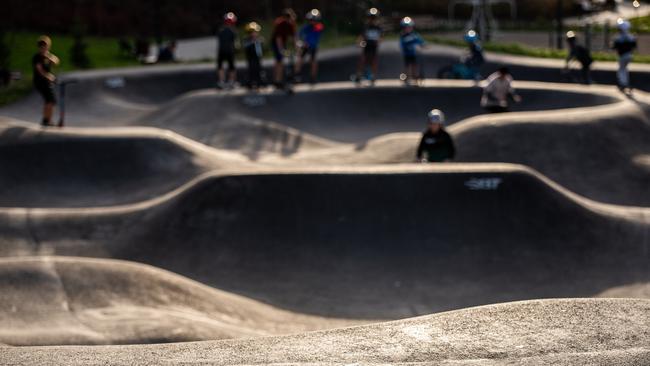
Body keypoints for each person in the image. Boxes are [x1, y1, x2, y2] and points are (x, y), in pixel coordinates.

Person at [32, 35, 59, 127]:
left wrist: (50, 57)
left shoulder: (47, 56)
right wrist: (49, 76)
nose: (43, 49)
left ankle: (46, 120)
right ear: (39, 47)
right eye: (42, 47)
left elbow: (56, 61)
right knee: (50, 100)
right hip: (40, 81)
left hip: (46, 82)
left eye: (46, 47)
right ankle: (47, 120)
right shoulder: (37, 57)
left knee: (49, 101)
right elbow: (40, 70)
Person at [353, 8, 383, 85]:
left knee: (374, 61)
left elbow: (380, 37)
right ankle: (359, 75)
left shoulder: (378, 27)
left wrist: (378, 41)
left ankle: (373, 76)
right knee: (362, 60)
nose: (372, 19)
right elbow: (362, 36)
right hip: (367, 45)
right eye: (371, 18)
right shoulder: (366, 27)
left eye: (374, 18)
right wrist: (359, 42)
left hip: (374, 46)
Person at [295, 9, 325, 84]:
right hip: (305, 46)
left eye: (314, 20)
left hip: (313, 46)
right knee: (300, 59)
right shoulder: (306, 27)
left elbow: (315, 36)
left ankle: (313, 77)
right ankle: (296, 75)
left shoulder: (319, 27)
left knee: (313, 61)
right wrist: (301, 43)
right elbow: (299, 35)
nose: (312, 21)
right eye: (311, 20)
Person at [271, 8, 297, 88]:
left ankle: (277, 80)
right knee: (280, 61)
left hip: (283, 42)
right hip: (276, 43)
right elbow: (278, 38)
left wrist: (296, 46)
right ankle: (277, 81)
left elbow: (293, 37)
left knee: (280, 61)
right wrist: (281, 49)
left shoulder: (291, 24)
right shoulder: (280, 24)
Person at [612, 18, 637, 93]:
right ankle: (625, 83)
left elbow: (615, 47)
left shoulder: (619, 37)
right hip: (629, 55)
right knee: (624, 69)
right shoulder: (631, 36)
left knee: (621, 69)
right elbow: (634, 46)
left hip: (622, 55)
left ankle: (623, 84)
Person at [399, 17, 425, 85]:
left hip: (413, 54)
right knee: (407, 67)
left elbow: (420, 41)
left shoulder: (414, 35)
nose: (408, 29)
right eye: (406, 27)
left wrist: (423, 45)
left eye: (409, 27)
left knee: (414, 66)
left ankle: (415, 78)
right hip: (407, 54)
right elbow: (402, 44)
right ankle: (407, 78)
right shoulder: (403, 36)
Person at [217, 12, 238, 89]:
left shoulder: (220, 30)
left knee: (220, 66)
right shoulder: (233, 31)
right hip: (230, 50)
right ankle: (231, 81)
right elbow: (235, 43)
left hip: (221, 50)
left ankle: (221, 81)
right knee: (231, 67)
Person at [243, 22, 264, 90]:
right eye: (252, 32)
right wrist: (252, 42)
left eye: (255, 32)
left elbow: (261, 49)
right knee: (251, 70)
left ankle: (259, 83)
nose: (254, 34)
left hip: (258, 58)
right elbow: (245, 47)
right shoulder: (247, 40)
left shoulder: (258, 39)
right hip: (251, 58)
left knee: (258, 70)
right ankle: (250, 83)